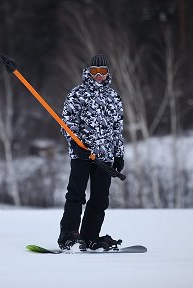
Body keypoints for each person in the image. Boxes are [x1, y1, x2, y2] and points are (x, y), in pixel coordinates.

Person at [58, 54, 124, 251]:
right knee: (76, 194)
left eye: (102, 71)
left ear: (107, 74)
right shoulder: (77, 94)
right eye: (94, 71)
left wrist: (119, 154)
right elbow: (67, 122)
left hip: (105, 157)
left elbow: (117, 128)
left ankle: (89, 236)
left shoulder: (113, 97)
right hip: (82, 155)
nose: (98, 75)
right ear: (88, 72)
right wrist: (76, 144)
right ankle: (68, 235)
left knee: (100, 198)